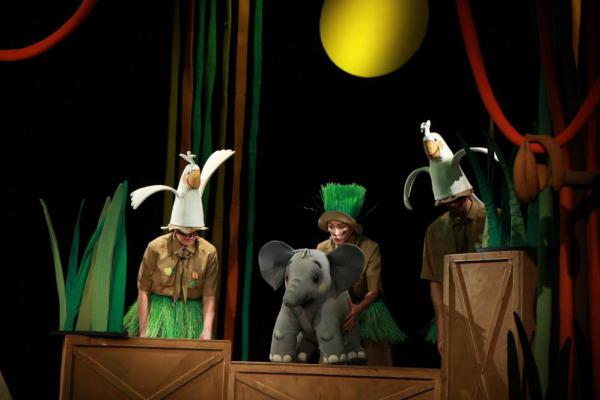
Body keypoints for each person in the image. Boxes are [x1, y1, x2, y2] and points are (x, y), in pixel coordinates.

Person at [123, 150, 233, 339]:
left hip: (190, 313)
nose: (189, 238)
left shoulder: (208, 252)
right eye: (184, 233)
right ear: (174, 229)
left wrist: (207, 330)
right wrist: (144, 330)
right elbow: (143, 290)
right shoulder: (155, 248)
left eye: (194, 234)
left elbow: (209, 295)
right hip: (159, 310)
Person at [316, 182, 408, 366]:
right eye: (331, 227)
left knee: (375, 363)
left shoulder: (370, 248)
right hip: (336, 307)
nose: (336, 232)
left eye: (341, 226)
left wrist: (357, 309)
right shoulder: (322, 248)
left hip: (365, 307)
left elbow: (374, 290)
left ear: (352, 226)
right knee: (331, 361)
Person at [420, 190, 486, 355]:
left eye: (458, 199)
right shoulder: (435, 230)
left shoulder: (492, 220)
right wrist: (442, 328)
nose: (453, 204)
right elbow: (435, 280)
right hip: (453, 317)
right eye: (448, 202)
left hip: (487, 311)